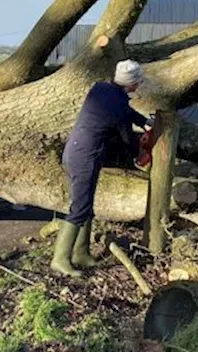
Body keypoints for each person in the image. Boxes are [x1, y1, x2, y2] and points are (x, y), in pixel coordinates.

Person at [50, 59, 154, 278]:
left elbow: (125, 111)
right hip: (85, 157)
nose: (139, 86)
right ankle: (60, 259)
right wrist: (140, 154)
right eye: (139, 82)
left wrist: (144, 121)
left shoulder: (102, 89)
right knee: (79, 208)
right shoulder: (117, 104)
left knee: (85, 205)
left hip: (77, 152)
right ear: (133, 84)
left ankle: (81, 253)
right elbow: (127, 137)